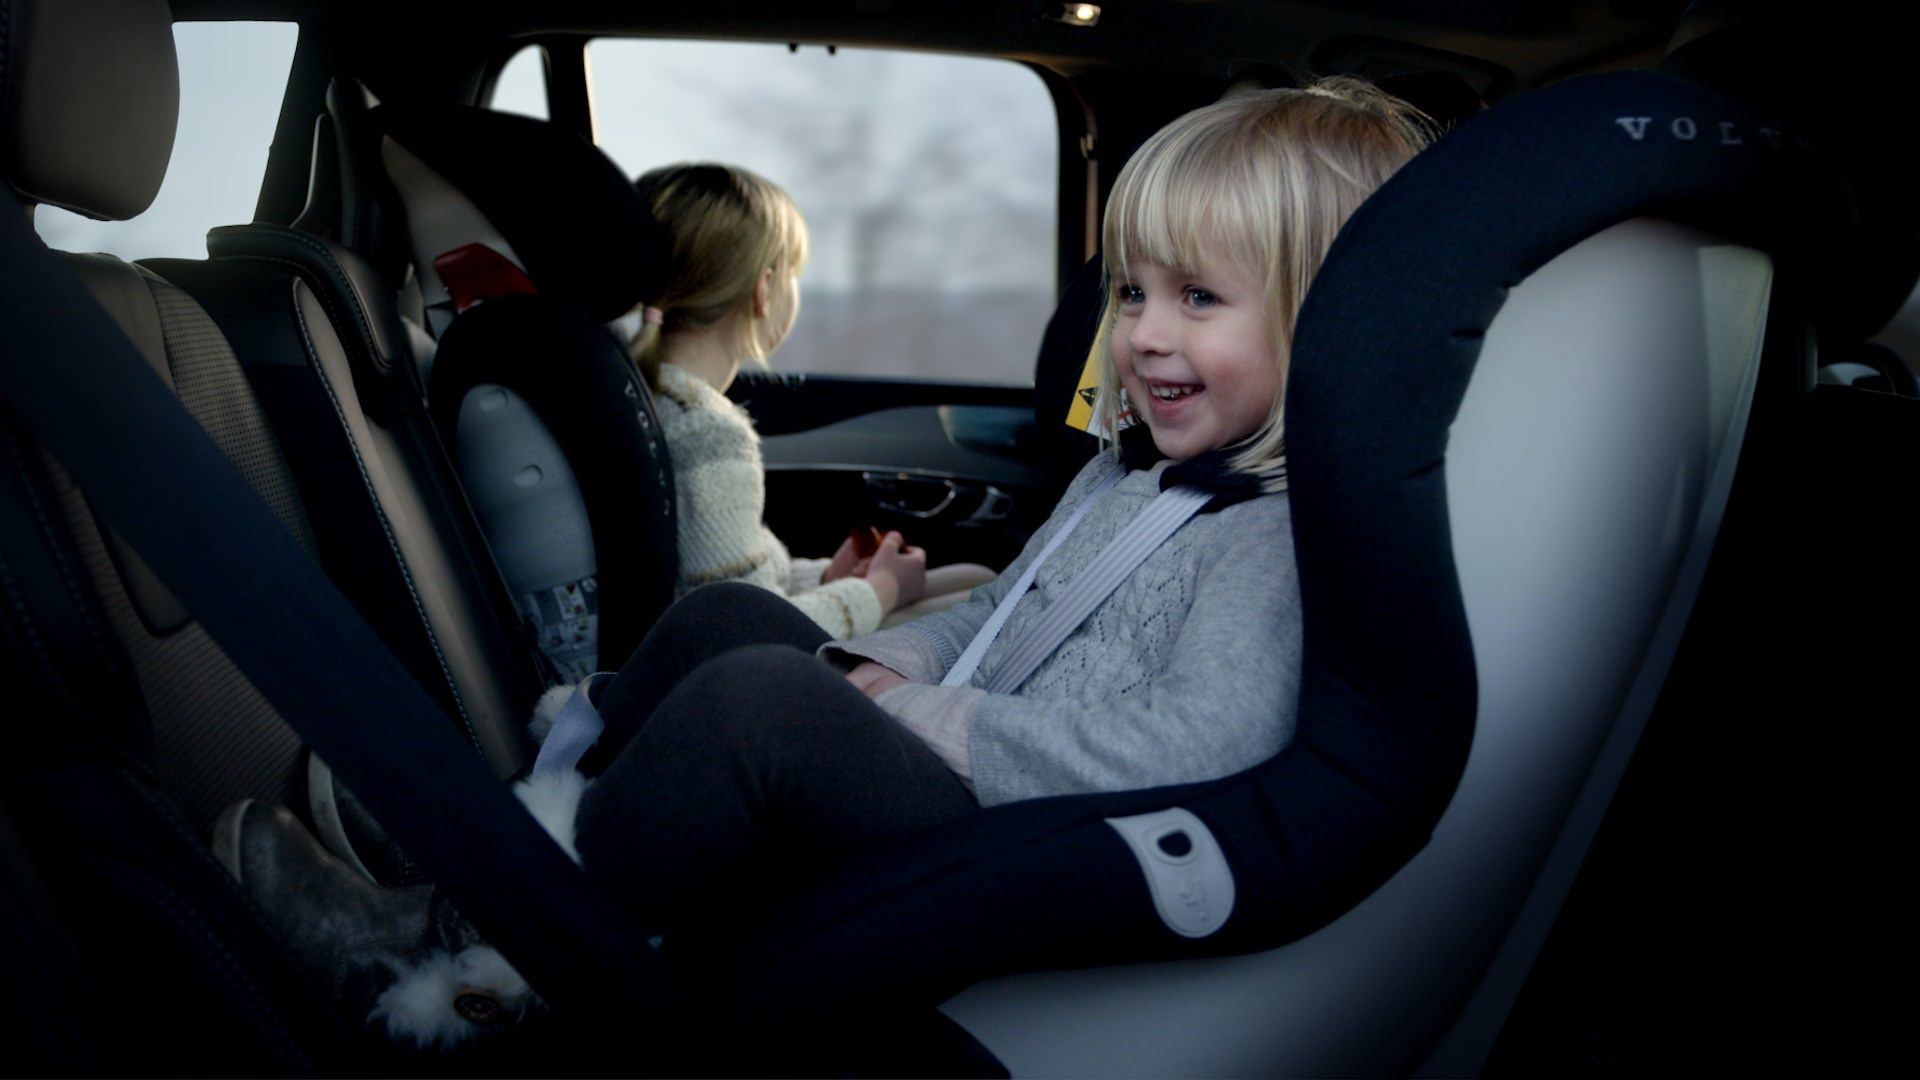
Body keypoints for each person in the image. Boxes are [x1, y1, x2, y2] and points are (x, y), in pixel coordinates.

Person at [214, 77, 1434, 1049]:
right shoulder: (1127, 472)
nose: (1142, 335)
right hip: (978, 766)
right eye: (1130, 291)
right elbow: (997, 611)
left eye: (1199, 299)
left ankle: (461, 961)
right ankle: (527, 870)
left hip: (1034, 840)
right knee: (727, 627)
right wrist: (871, 659)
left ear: (1326, 324)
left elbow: (1192, 753)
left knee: (761, 706)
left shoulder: (1277, 536)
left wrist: (924, 719)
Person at [625, 162, 993, 638]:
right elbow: (744, 628)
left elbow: (726, 574)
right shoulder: (707, 433)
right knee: (984, 602)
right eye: (792, 273)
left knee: (978, 581)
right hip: (746, 667)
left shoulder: (645, 397)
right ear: (763, 290)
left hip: (723, 640)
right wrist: (880, 589)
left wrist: (825, 579)